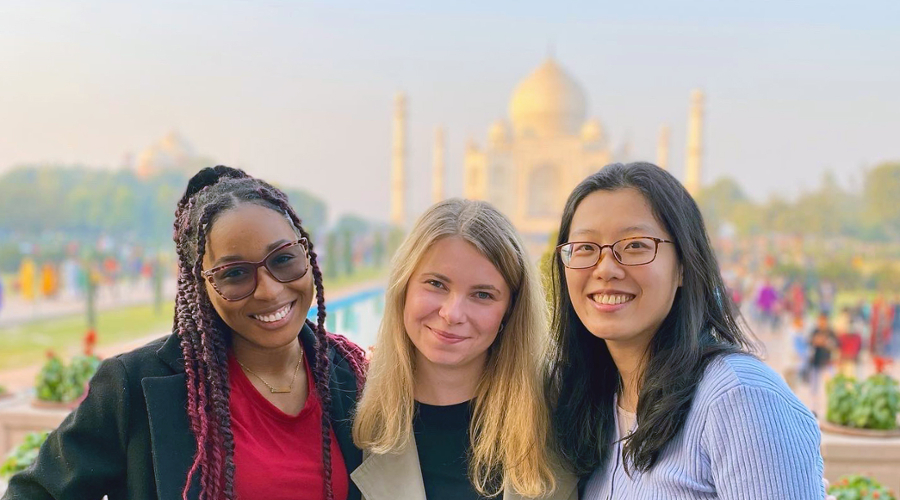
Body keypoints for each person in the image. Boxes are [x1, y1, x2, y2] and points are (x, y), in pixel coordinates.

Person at [4, 166, 368, 500]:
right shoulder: (135, 386)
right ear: (201, 285)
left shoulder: (348, 376)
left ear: (306, 254)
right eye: (235, 273)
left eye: (283, 258)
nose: (270, 290)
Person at [547, 162, 826, 498]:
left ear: (683, 266)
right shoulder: (588, 402)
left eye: (635, 245)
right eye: (586, 249)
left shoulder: (739, 398)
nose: (605, 268)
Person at [351, 199, 575, 500]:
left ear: (510, 310)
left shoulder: (565, 411)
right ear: (404, 287)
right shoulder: (349, 408)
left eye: (482, 294)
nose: (453, 313)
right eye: (436, 284)